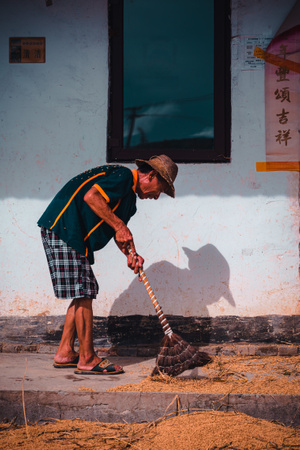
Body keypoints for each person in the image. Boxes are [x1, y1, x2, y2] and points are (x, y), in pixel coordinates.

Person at [38, 155, 178, 375]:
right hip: (64, 228)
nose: (157, 197)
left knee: (82, 290)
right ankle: (87, 359)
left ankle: (65, 352)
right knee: (85, 289)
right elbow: (92, 197)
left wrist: (132, 254)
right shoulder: (122, 176)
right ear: (150, 176)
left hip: (72, 235)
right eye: (160, 189)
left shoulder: (129, 201)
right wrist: (120, 225)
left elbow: (118, 232)